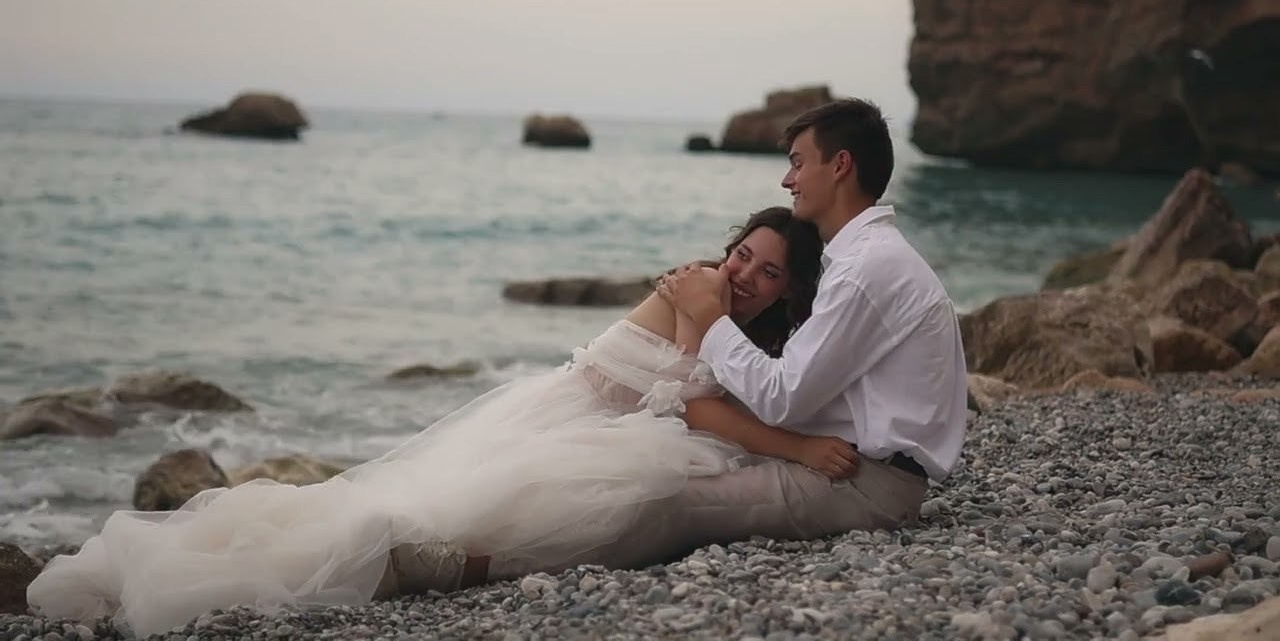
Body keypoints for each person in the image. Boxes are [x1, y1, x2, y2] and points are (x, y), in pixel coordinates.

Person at [27, 206, 845, 637]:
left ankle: (432, 562)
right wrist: (799, 445)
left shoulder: (748, 321)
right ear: (730, 247)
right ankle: (397, 559)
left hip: (599, 420)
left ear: (787, 290)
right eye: (745, 254)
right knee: (553, 498)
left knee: (603, 497)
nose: (745, 274)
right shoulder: (701, 292)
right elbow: (697, 398)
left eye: (768, 273)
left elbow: (713, 397)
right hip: (572, 415)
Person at [389, 99, 968, 592]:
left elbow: (783, 396)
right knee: (663, 469)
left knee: (664, 497)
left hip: (865, 485)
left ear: (840, 166)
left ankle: (481, 567)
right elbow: (790, 390)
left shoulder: (866, 268)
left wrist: (708, 317)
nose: (788, 180)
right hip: (862, 465)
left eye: (797, 164)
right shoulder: (866, 260)